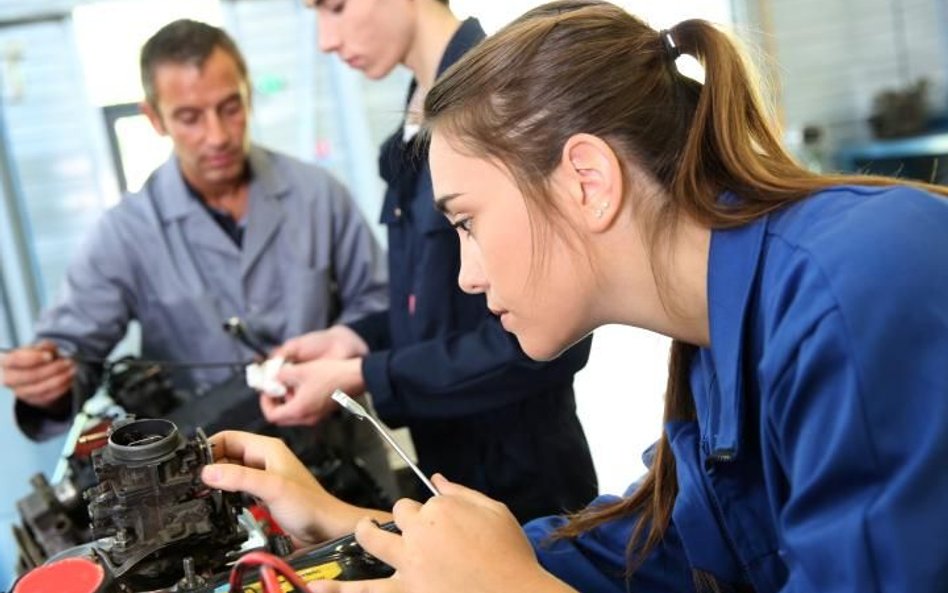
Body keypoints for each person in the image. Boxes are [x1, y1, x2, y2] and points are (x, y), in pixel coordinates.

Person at [200, 1, 948, 592]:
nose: (465, 273)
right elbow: (645, 552)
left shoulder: (859, 283)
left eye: (466, 221)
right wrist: (349, 527)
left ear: (586, 180)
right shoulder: (716, 354)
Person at [1, 19, 396, 499]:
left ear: (248, 95)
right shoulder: (125, 233)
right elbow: (71, 353)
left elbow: (380, 305)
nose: (218, 136)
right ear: (155, 118)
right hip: (213, 486)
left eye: (230, 108)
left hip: (345, 465)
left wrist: (337, 358)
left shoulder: (318, 196)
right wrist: (48, 382)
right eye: (190, 117)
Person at [256, 0, 598, 522]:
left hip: (527, 484)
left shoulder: (500, 102)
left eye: (336, 7)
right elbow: (429, 301)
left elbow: (541, 343)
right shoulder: (414, 128)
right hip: (449, 473)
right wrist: (356, 341)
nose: (325, 38)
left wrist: (363, 374)